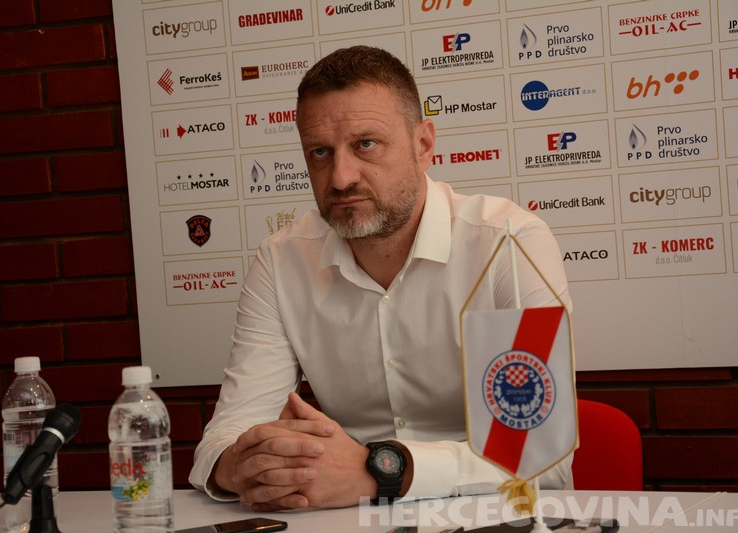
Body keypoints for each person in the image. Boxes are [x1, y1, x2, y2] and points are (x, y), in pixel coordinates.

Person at [189, 45, 573, 511]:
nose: (341, 177)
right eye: (320, 153)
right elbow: (228, 434)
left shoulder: (507, 243)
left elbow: (540, 455)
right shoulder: (281, 261)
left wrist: (379, 470)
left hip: (493, 514)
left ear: (423, 145)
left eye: (366, 144)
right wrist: (244, 466)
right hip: (345, 515)